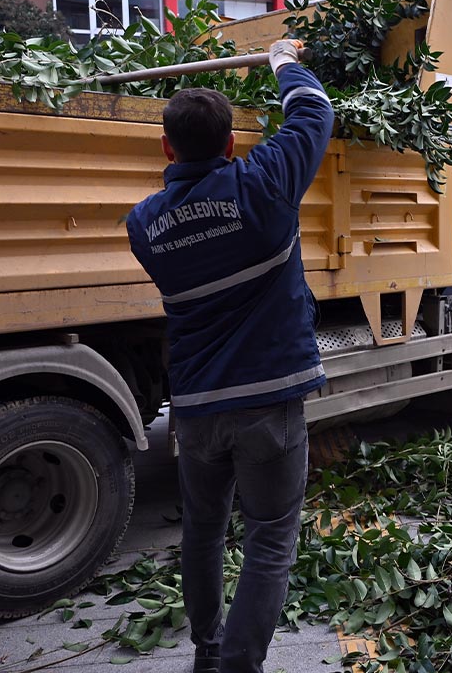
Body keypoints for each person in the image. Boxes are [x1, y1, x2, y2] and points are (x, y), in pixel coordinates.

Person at [125, 39, 334, 672]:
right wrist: (281, 59)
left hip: (194, 410)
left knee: (204, 530)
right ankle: (240, 664)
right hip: (269, 401)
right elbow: (313, 112)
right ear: (230, 145)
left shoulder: (144, 226)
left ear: (166, 148)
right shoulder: (263, 185)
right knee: (270, 539)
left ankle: (207, 649)